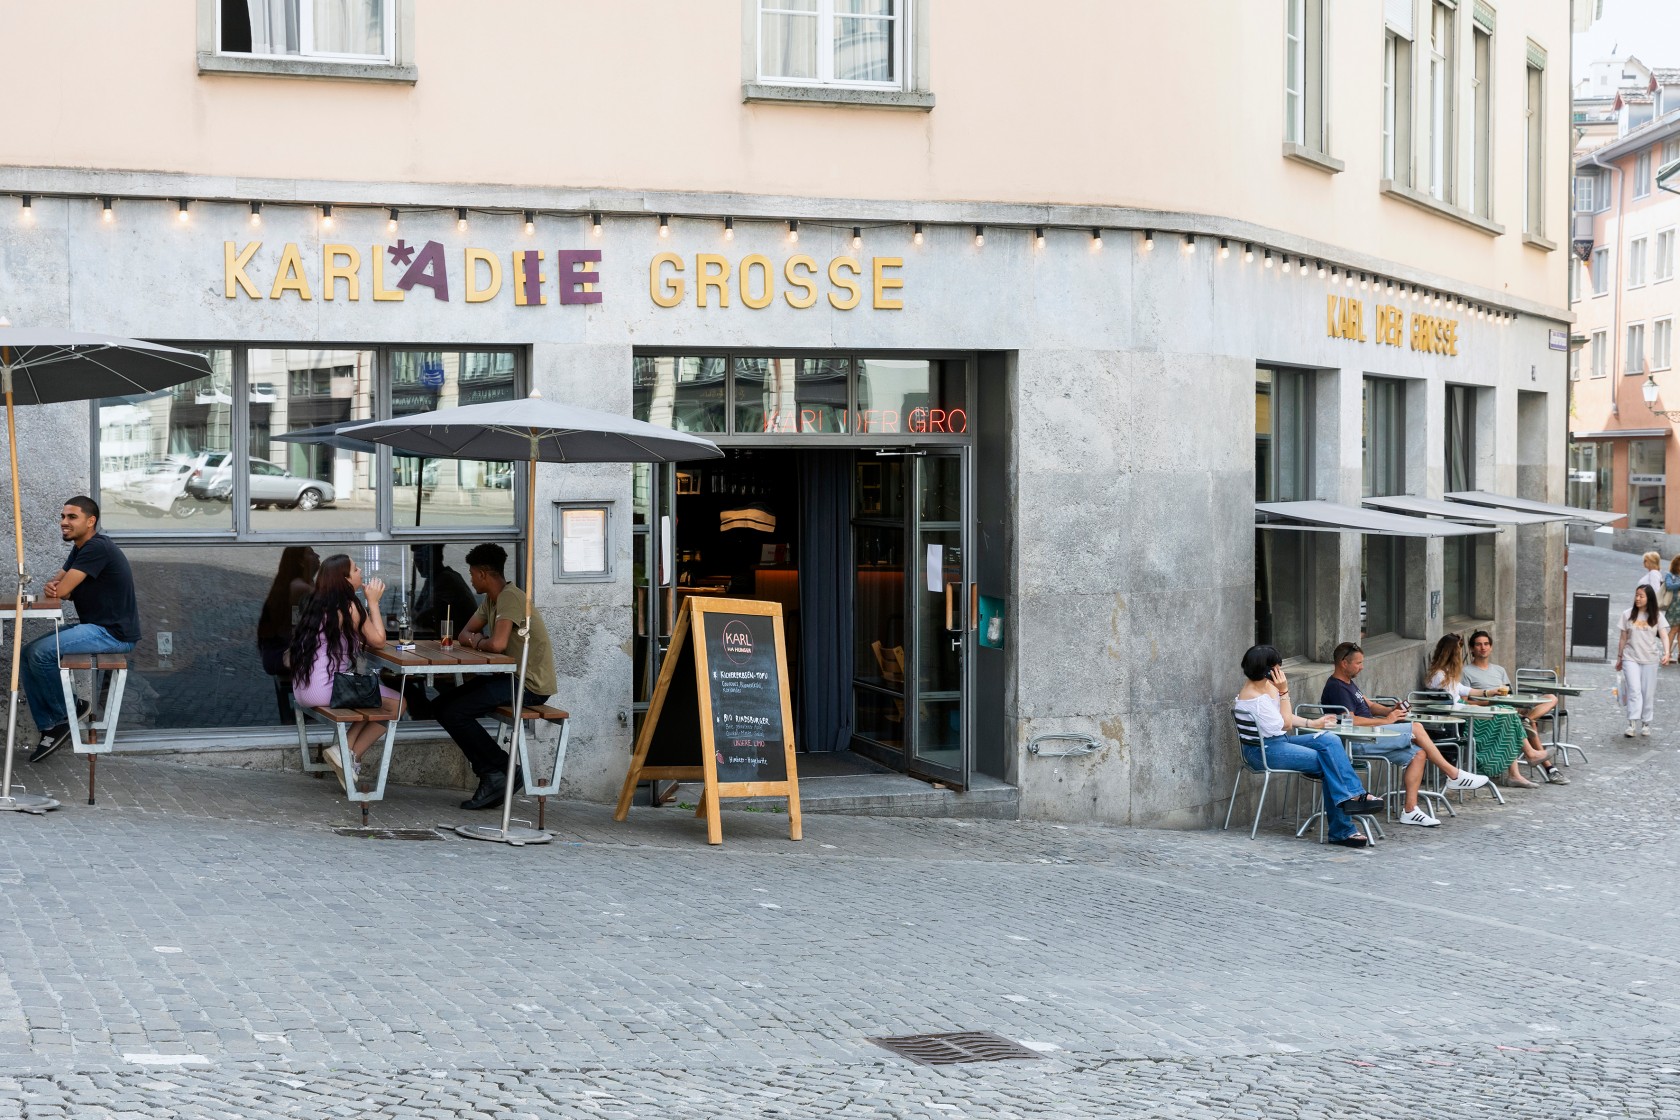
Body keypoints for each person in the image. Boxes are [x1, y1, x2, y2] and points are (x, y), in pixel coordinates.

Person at [430, 543, 557, 811]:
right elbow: (464, 634)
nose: (471, 579)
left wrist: (478, 641)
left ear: (484, 574)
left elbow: (496, 644)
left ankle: (497, 771)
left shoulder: (510, 597)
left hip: (528, 684)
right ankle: (496, 770)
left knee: (455, 711)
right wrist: (478, 640)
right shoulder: (491, 600)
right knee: (442, 706)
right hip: (507, 678)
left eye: (472, 573)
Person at [1320, 642, 1490, 827]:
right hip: (1356, 742)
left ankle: (1410, 811)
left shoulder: (1348, 683)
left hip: (1371, 737)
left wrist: (1391, 711)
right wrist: (1386, 721)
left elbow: (1369, 706)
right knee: (1415, 727)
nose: (1362, 667)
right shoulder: (1336, 687)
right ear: (1344, 663)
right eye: (1358, 663)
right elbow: (1350, 720)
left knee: (1419, 753)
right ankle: (1454, 775)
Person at [25, 497, 141, 763]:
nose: (64, 522)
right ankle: (50, 726)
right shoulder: (81, 548)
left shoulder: (97, 547)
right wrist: (59, 587)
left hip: (113, 634)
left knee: (42, 654)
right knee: (27, 652)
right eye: (63, 516)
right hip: (95, 627)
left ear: (91, 522)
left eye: (72, 517)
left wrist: (61, 587)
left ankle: (67, 713)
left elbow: (62, 589)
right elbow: (55, 584)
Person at [1234, 644, 1385, 849]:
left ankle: (1354, 796)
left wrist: (1312, 724)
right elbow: (1286, 723)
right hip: (1264, 752)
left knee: (1330, 740)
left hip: (1277, 742)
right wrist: (1284, 691)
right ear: (1270, 670)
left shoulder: (1265, 687)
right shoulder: (1255, 698)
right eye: (1279, 666)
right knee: (1329, 762)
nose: (1282, 671)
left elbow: (1283, 718)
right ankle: (1343, 828)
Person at [286, 554, 402, 791]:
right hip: (325, 689)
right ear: (345, 579)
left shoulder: (315, 602)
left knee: (374, 699)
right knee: (398, 703)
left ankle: (346, 753)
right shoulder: (349, 607)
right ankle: (349, 754)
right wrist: (374, 602)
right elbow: (379, 641)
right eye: (356, 569)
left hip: (303, 688)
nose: (361, 571)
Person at [1424, 633, 1547, 788]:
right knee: (1508, 716)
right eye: (1459, 652)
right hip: (1461, 721)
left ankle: (1523, 763)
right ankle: (1525, 759)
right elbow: (1455, 703)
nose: (1461, 656)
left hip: (1465, 714)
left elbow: (1465, 690)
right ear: (1452, 653)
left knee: (1509, 714)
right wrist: (1483, 703)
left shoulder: (1445, 674)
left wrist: (1490, 692)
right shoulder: (1440, 675)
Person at [1461, 630, 1567, 785]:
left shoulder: (1499, 670)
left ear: (1491, 647)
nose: (1483, 647)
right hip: (1484, 715)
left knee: (1550, 698)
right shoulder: (1466, 672)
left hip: (1507, 708)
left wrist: (1518, 706)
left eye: (1486, 644)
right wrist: (1490, 702)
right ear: (1471, 648)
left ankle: (1527, 718)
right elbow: (1464, 703)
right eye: (1478, 644)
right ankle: (1549, 769)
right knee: (1521, 722)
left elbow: (1510, 694)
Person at [255, 546, 320, 723]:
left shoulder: (305, 584)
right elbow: (296, 624)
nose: (317, 556)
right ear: (300, 561)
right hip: (282, 654)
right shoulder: (300, 587)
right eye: (311, 553)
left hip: (284, 650)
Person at [1615, 584, 1670, 738]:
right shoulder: (1627, 614)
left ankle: (1646, 722)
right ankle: (1632, 722)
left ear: (1649, 598)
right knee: (1634, 690)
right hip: (1630, 657)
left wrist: (1667, 652)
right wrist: (1620, 657)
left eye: (1641, 596)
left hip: (1650, 659)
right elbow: (1623, 638)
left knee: (1648, 693)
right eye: (1636, 595)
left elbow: (1664, 635)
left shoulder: (1657, 616)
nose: (1637, 598)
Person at [1663, 556, 1680, 661]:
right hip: (1674, 606)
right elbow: (1669, 586)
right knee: (1673, 630)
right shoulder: (1670, 575)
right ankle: (1667, 654)